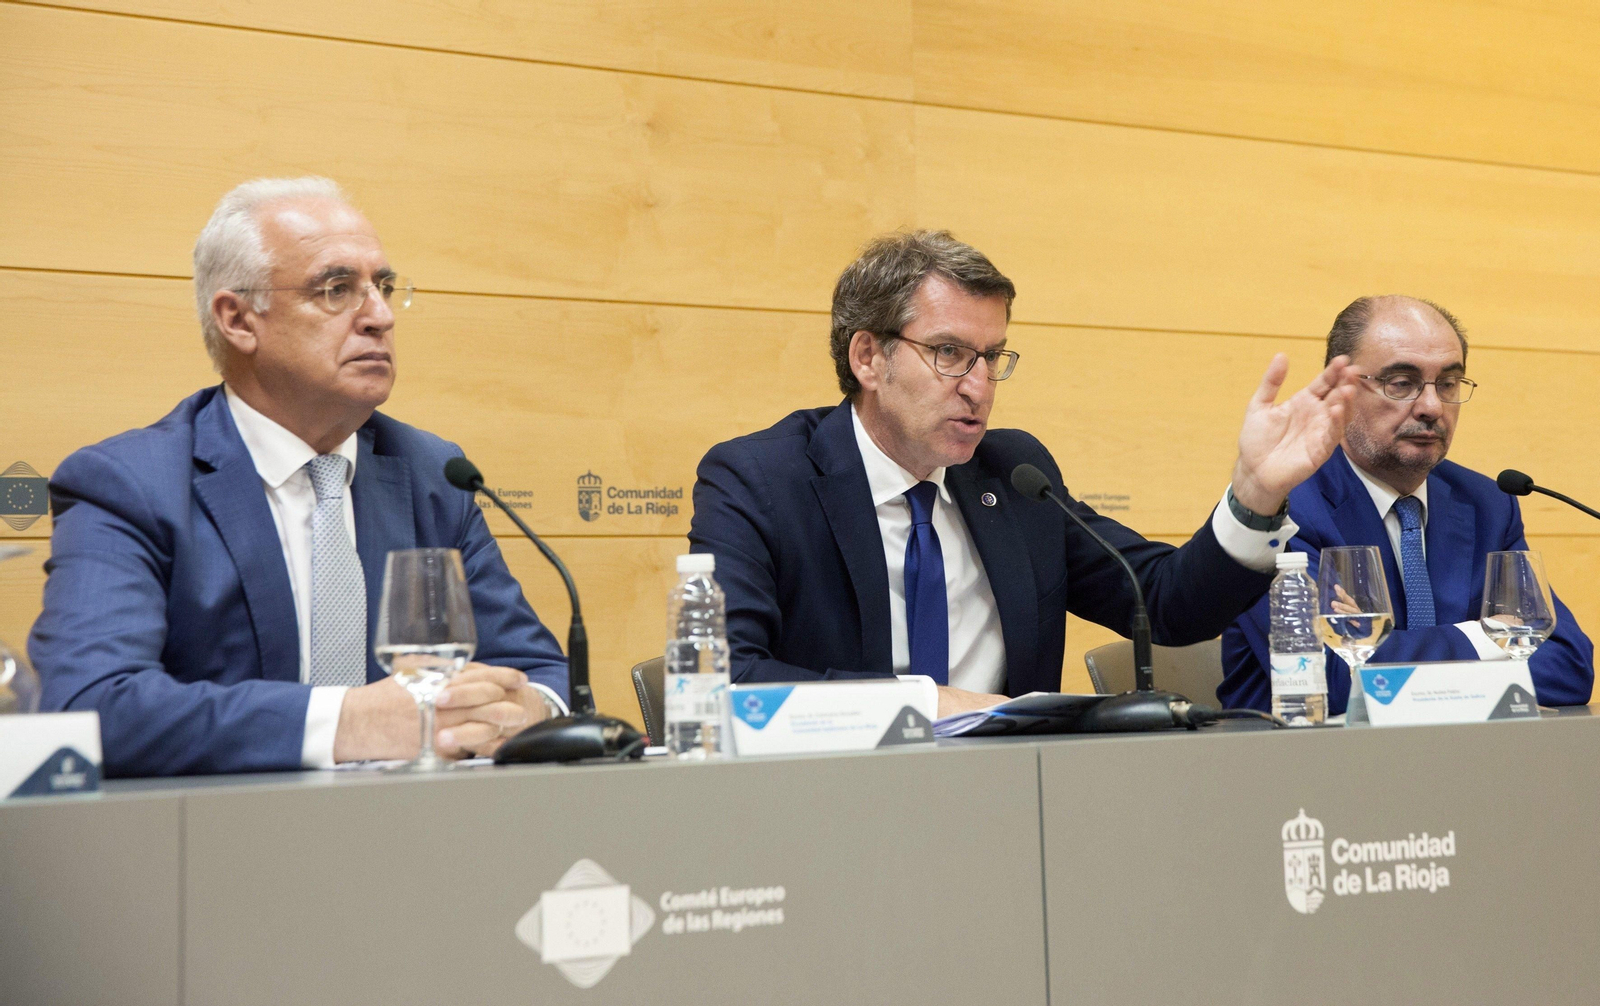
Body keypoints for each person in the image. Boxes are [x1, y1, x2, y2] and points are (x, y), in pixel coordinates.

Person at [688, 230, 1359, 716]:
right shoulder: (760, 480)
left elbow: (1167, 603)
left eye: (992, 357)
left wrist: (1256, 492)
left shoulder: (1013, 475)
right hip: (834, 803)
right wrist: (929, 703)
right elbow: (731, 678)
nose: (979, 386)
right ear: (869, 358)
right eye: (950, 353)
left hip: (1012, 803)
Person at [32, 177, 569, 776]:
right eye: (338, 289)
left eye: (384, 287)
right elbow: (90, 706)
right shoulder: (130, 484)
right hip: (217, 848)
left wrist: (519, 715)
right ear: (238, 319)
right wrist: (353, 721)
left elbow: (541, 673)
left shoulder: (434, 474)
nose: (381, 317)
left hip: (422, 840)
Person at [1219, 296, 1594, 712]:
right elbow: (1335, 683)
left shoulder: (1488, 504)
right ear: (1339, 392)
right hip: (1307, 766)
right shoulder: (1277, 509)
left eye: (1448, 383)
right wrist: (1485, 638)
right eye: (1401, 383)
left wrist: (1381, 646)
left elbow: (1568, 668)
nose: (1432, 407)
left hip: (1465, 767)